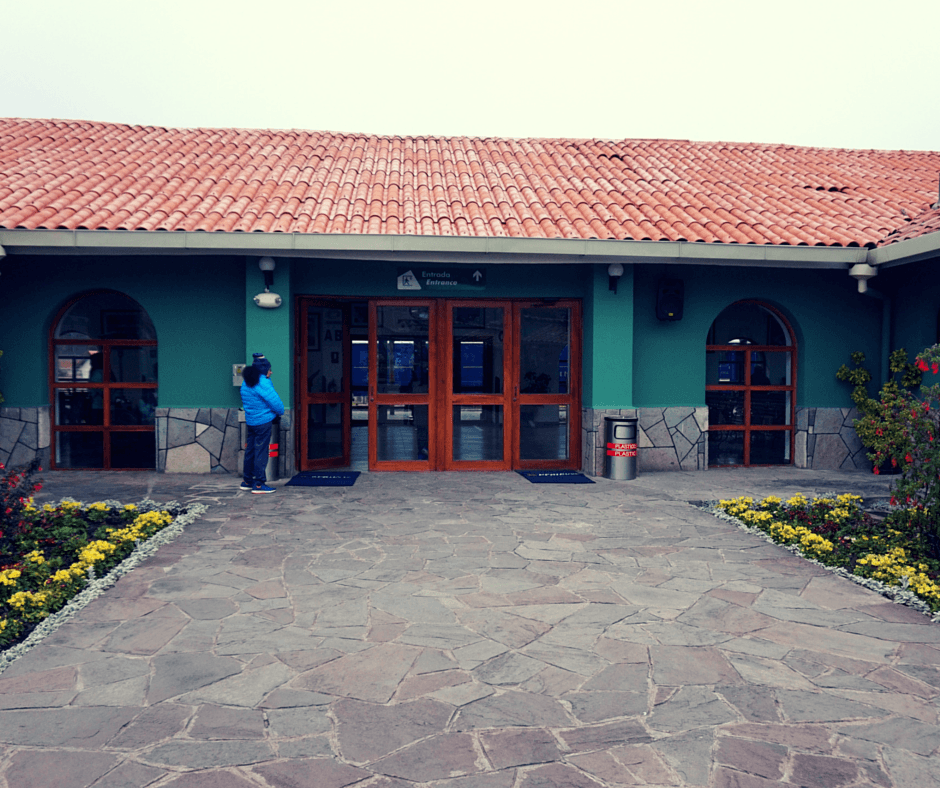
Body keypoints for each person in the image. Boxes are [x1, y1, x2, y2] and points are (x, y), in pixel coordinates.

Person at [240, 352, 284, 494]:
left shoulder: (246, 382)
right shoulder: (263, 383)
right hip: (263, 422)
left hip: (251, 421)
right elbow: (276, 403)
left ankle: (247, 481)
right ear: (264, 370)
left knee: (250, 450)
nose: (271, 372)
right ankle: (259, 484)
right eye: (269, 369)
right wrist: (280, 412)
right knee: (261, 452)